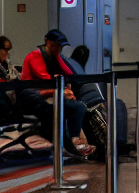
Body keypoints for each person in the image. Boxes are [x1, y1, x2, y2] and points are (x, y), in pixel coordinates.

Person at [21, 29, 89, 160]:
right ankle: (64, 145)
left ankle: (74, 141)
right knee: (58, 111)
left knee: (79, 107)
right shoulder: (34, 56)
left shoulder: (55, 55)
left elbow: (70, 74)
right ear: (47, 42)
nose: (58, 48)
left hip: (50, 96)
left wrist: (67, 89)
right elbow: (46, 79)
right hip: (33, 98)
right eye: (56, 45)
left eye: (60, 46)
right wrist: (63, 91)